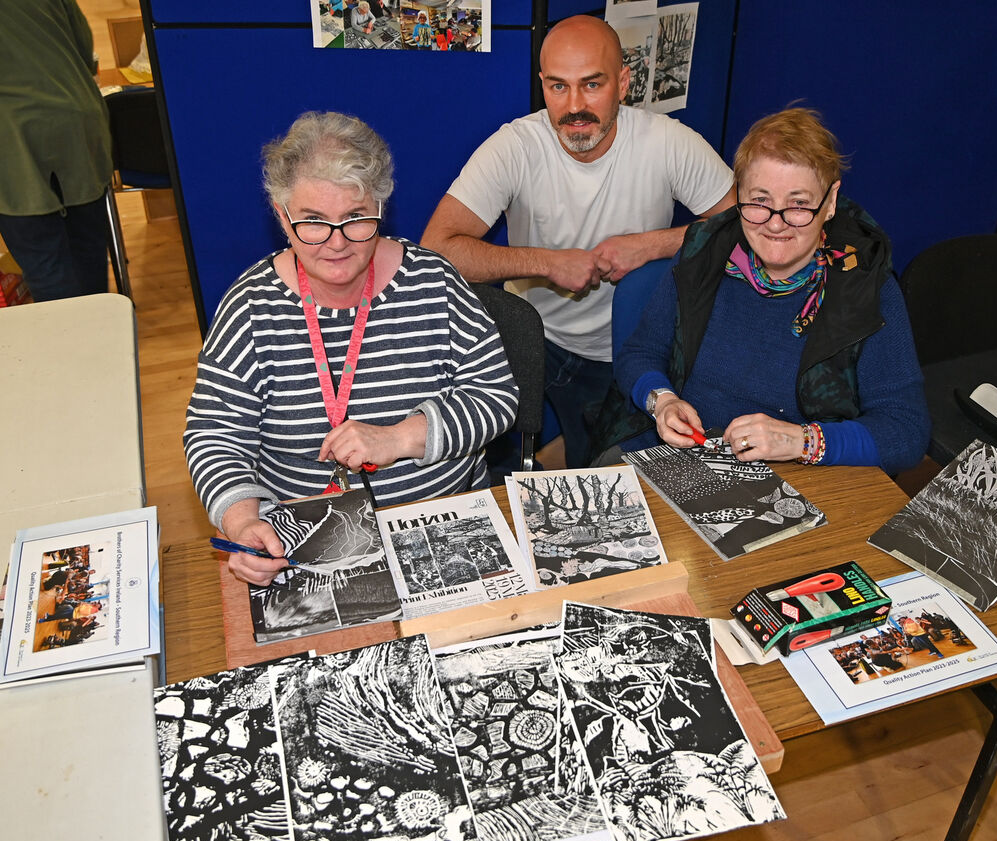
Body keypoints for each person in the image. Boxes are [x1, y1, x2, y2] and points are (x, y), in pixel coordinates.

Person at [184, 112, 518, 586]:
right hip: (304, 542)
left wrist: (400, 438)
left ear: (380, 207)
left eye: (356, 220)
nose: (336, 244)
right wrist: (242, 521)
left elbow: (497, 397)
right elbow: (214, 436)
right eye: (314, 223)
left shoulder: (435, 284)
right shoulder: (251, 307)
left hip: (443, 525)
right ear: (282, 216)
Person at [421, 14, 735, 468]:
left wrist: (650, 246)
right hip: (536, 339)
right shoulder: (516, 146)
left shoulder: (668, 143)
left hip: (629, 347)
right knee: (495, 467)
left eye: (592, 85)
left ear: (624, 83)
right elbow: (437, 250)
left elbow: (750, 225)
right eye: (558, 87)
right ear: (542, 84)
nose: (573, 107)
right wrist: (545, 262)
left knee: (606, 473)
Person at [598, 106, 930, 473]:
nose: (776, 223)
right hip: (677, 455)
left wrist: (799, 440)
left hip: (799, 477)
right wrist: (661, 400)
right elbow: (640, 352)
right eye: (760, 201)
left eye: (799, 204)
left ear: (831, 202)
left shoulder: (865, 286)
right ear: (739, 193)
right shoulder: (702, 254)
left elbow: (907, 430)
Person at [0, 0, 112, 303]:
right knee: (88, 253)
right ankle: (103, 343)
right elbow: (85, 46)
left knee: (45, 265)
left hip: (14, 137)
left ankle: (76, 347)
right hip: (77, 123)